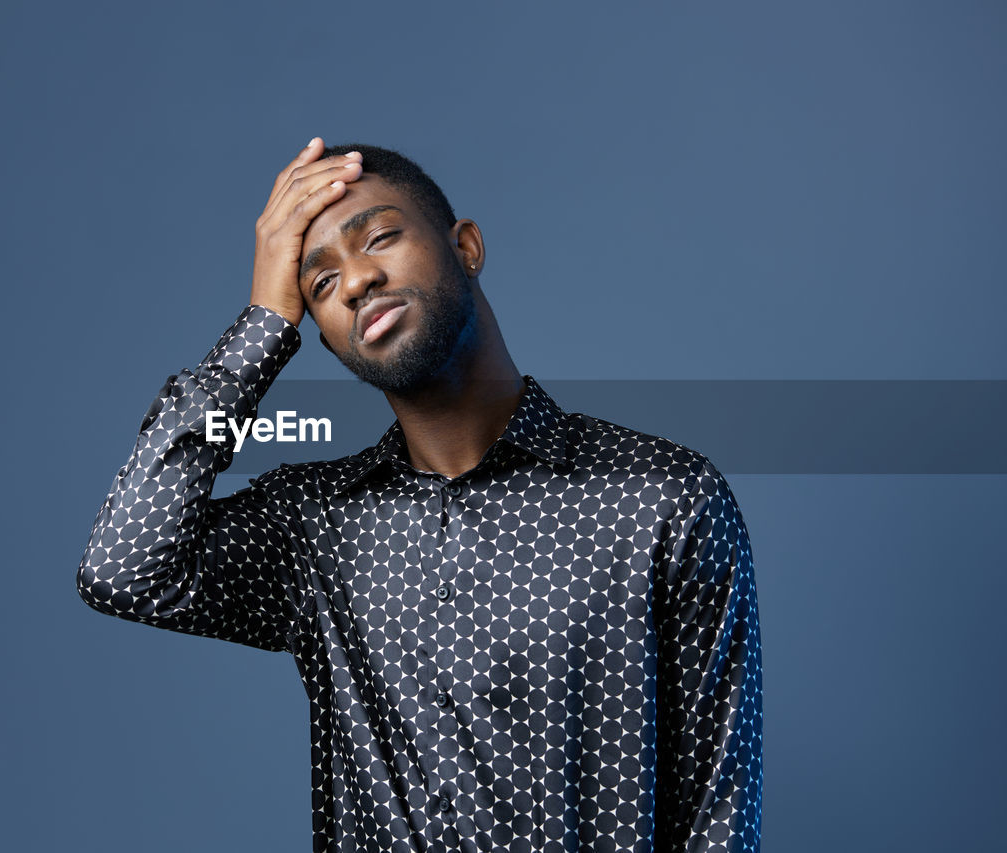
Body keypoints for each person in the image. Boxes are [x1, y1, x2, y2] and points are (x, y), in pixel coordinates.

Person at [76, 137, 763, 852]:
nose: (355, 282)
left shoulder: (660, 497)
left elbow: (716, 812)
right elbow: (124, 566)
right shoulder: (315, 526)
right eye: (317, 286)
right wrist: (262, 325)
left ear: (466, 246)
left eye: (378, 237)